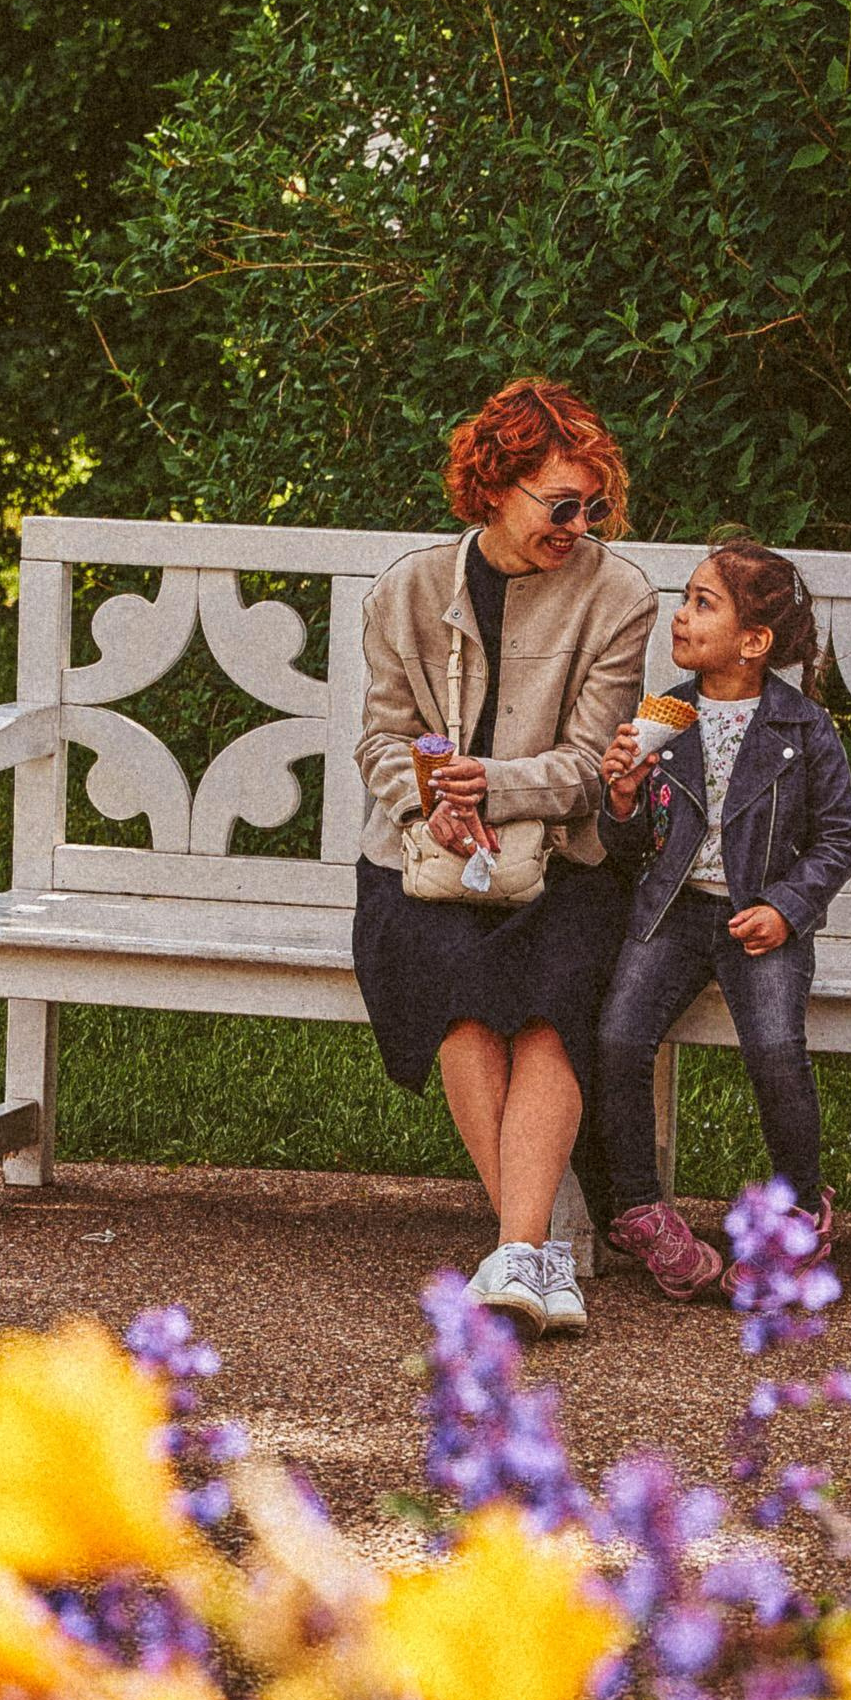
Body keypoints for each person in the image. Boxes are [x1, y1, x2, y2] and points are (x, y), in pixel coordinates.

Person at [353, 381, 656, 1335]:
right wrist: (427, 810)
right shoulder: (408, 589)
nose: (579, 523)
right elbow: (383, 739)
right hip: (425, 859)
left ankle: (518, 1253)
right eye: (559, 503)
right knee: (453, 982)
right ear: (493, 488)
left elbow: (583, 763)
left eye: (592, 505)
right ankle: (538, 1252)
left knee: (557, 998)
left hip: (567, 857)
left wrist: (492, 790)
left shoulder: (619, 597)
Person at [594, 538, 851, 1298]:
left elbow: (839, 837)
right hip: (674, 915)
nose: (680, 615)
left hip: (758, 919)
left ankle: (800, 1213)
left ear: (754, 642)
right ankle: (641, 1209)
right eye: (683, 599)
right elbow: (629, 845)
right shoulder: (665, 720)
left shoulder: (802, 728)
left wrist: (786, 907)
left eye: (702, 603)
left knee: (776, 1053)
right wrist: (620, 796)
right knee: (617, 1038)